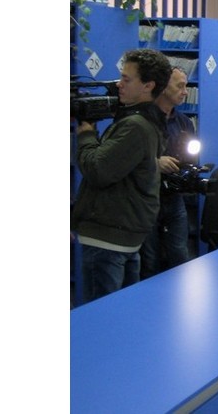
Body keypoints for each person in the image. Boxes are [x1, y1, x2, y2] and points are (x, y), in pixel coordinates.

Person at [72, 48, 171, 303]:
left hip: (108, 238)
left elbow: (98, 170)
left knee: (100, 316)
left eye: (127, 79)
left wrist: (86, 134)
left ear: (148, 86)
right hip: (123, 235)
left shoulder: (135, 126)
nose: (119, 84)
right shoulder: (148, 120)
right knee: (119, 313)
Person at [140, 67, 196, 280]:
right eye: (180, 86)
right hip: (147, 200)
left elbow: (190, 157)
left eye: (186, 86)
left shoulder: (184, 123)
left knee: (180, 255)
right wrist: (156, 163)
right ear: (163, 87)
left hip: (174, 198)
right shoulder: (142, 121)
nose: (185, 92)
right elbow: (127, 160)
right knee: (149, 261)